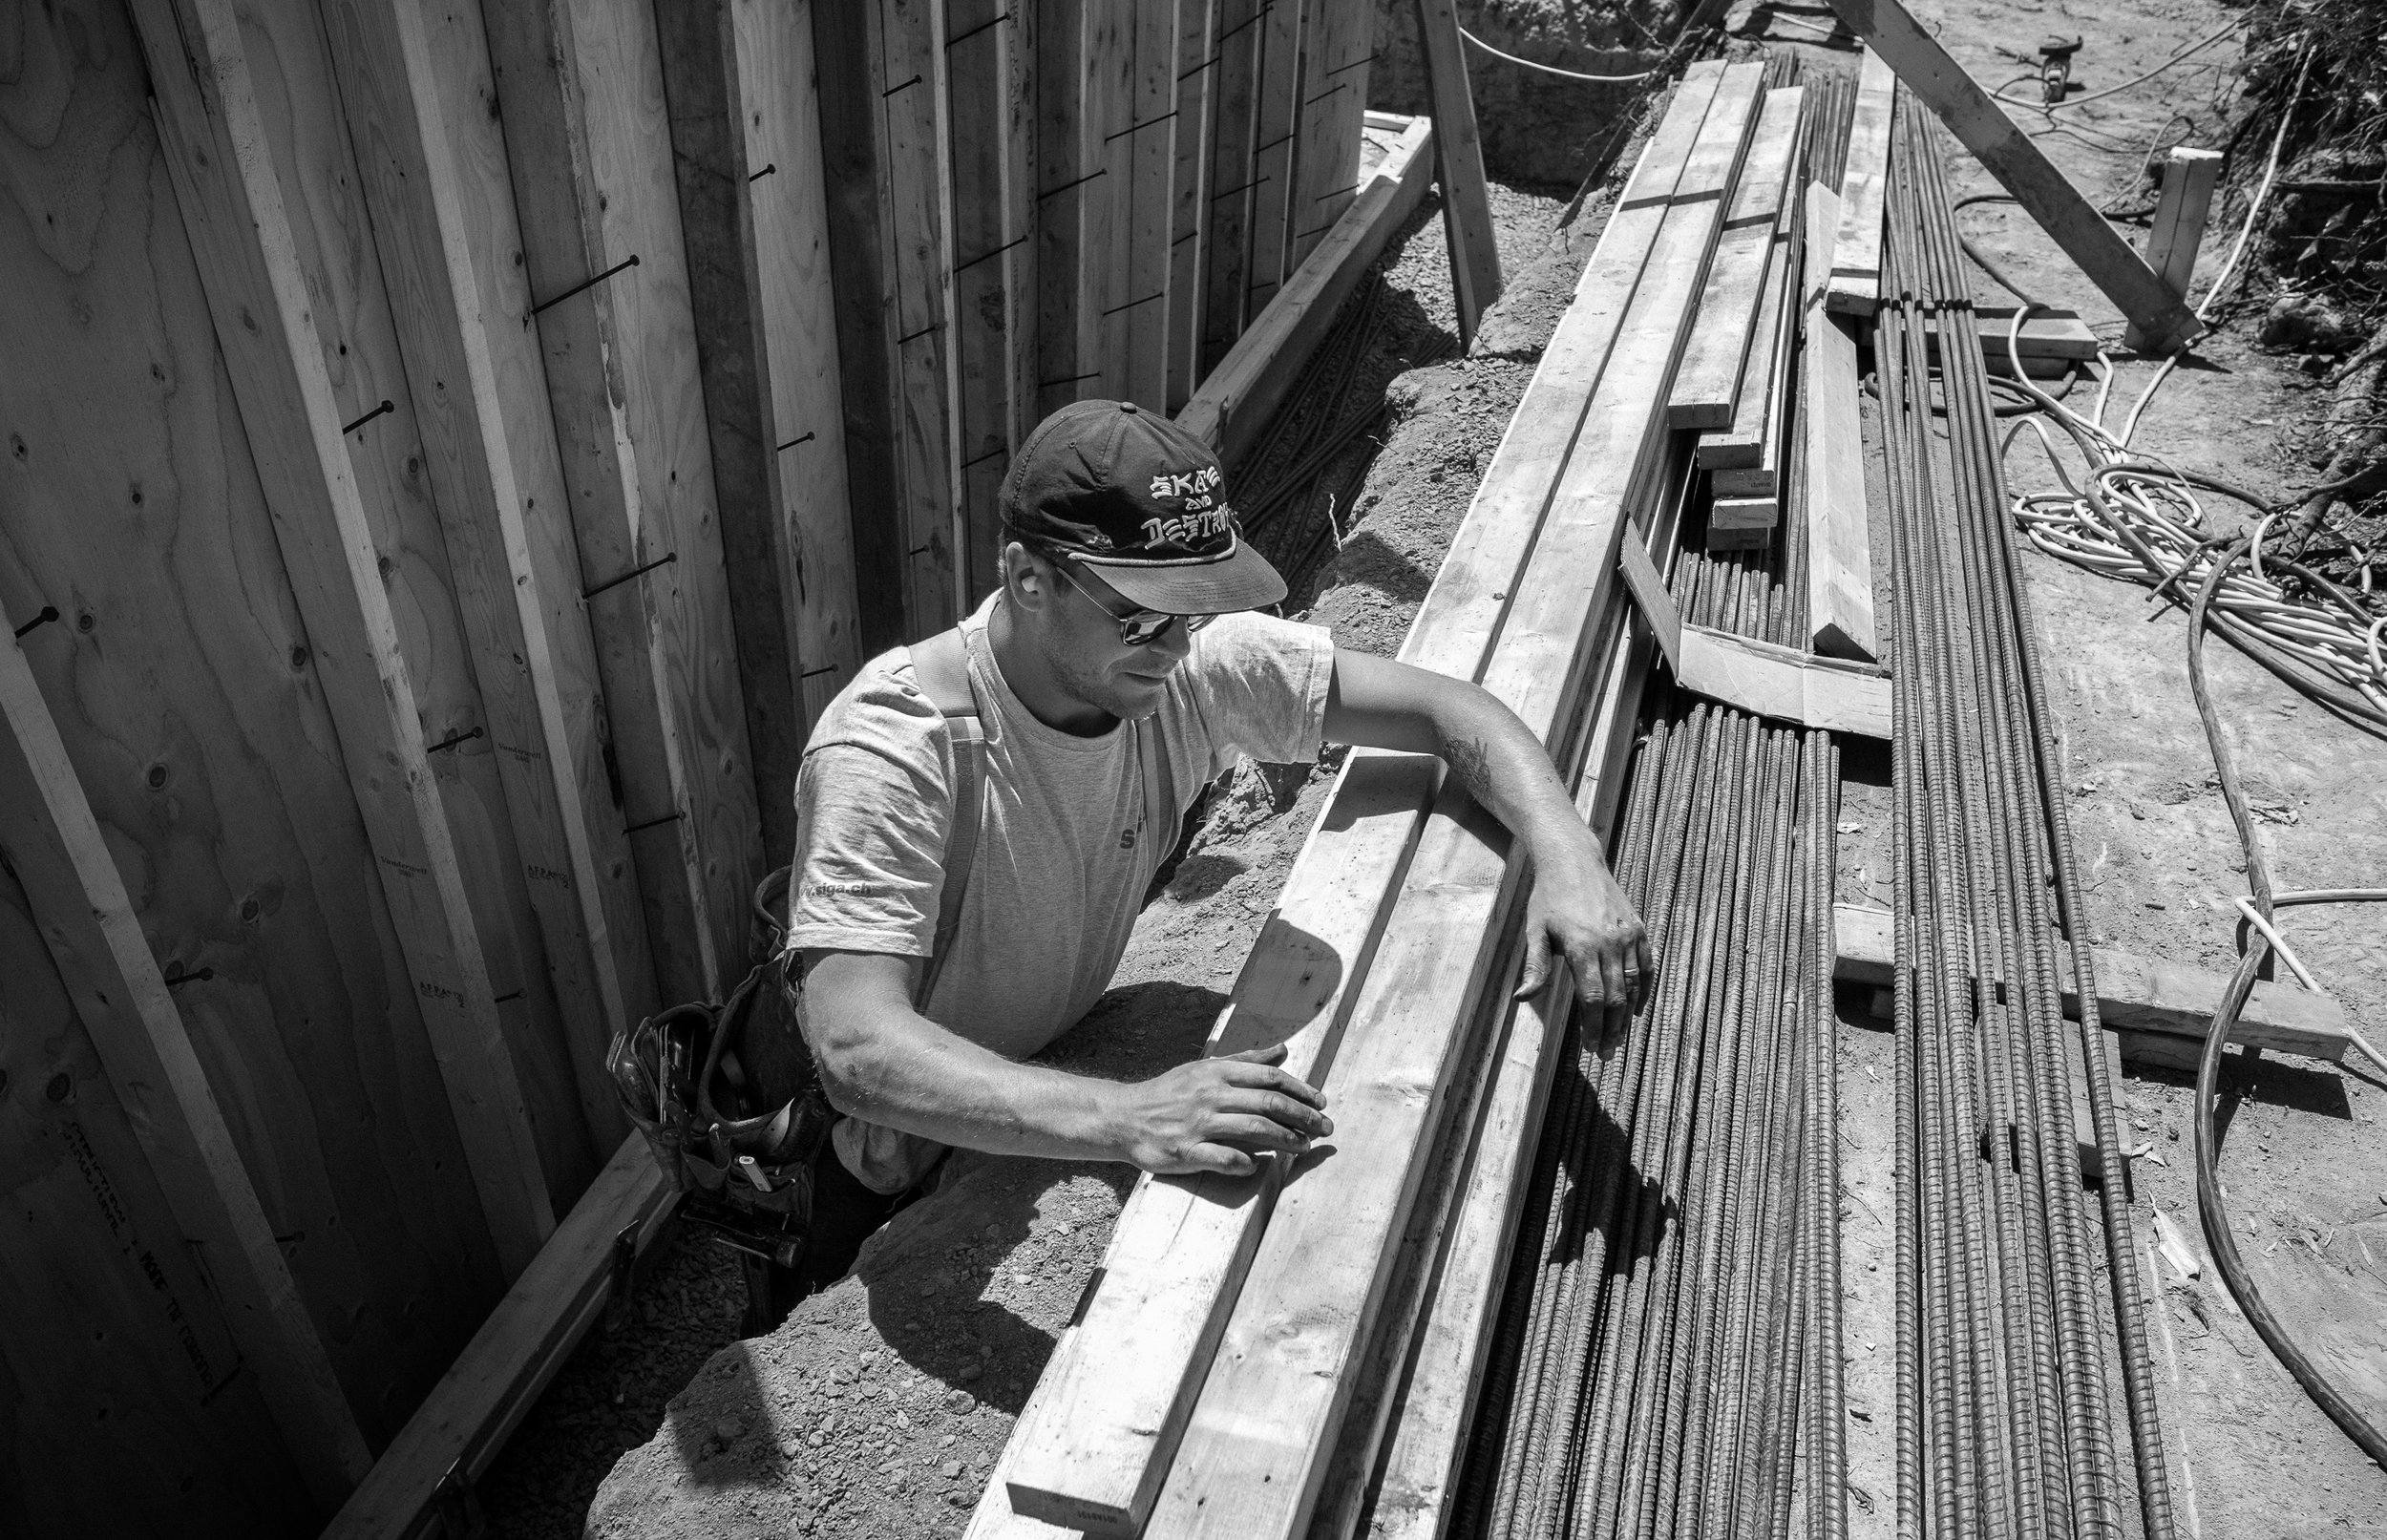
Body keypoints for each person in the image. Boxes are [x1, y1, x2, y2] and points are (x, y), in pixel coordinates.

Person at [781, 399, 1648, 1295]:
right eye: (1142, 615)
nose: (1173, 644)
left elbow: (1449, 711)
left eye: (1190, 611)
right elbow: (857, 1049)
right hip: (888, 1152)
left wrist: (1566, 853)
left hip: (1044, 1051)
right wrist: (1131, 1115)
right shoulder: (898, 744)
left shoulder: (1182, 670)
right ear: (1028, 576)